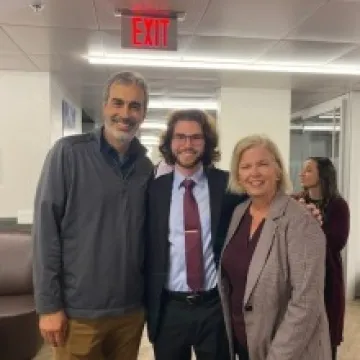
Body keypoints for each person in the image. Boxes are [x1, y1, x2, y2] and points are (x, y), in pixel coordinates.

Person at [32, 71, 154, 359]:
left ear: (143, 113)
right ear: (104, 106)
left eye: (135, 106)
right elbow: (45, 233)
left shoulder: (146, 169)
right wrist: (49, 306)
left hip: (130, 313)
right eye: (118, 103)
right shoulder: (67, 155)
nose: (125, 114)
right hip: (79, 314)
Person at [218, 135, 332, 360]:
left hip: (289, 351)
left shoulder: (301, 221)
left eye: (263, 164)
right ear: (238, 175)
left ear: (278, 170)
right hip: (247, 344)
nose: (254, 173)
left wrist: (277, 356)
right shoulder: (239, 213)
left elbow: (306, 303)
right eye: (246, 166)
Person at [145, 109, 244, 360]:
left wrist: (303, 205)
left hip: (214, 307)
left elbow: (262, 203)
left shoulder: (228, 186)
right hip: (169, 309)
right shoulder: (152, 190)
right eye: (180, 137)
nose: (187, 144)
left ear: (207, 142)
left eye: (196, 137)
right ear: (169, 142)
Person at [299, 157, 350, 360]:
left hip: (328, 280)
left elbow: (336, 241)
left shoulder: (338, 206)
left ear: (323, 175)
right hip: (300, 280)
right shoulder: (296, 201)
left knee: (326, 343)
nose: (302, 174)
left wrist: (312, 225)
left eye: (308, 170)